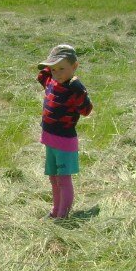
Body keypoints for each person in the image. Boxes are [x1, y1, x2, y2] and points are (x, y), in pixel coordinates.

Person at [36, 44, 93, 219]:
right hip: (49, 139)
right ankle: (55, 210)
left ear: (74, 66)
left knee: (63, 179)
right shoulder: (51, 81)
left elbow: (86, 110)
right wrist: (50, 64)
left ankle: (63, 215)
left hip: (65, 142)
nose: (57, 73)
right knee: (53, 178)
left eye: (62, 68)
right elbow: (42, 75)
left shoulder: (74, 88)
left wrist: (79, 89)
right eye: (54, 69)